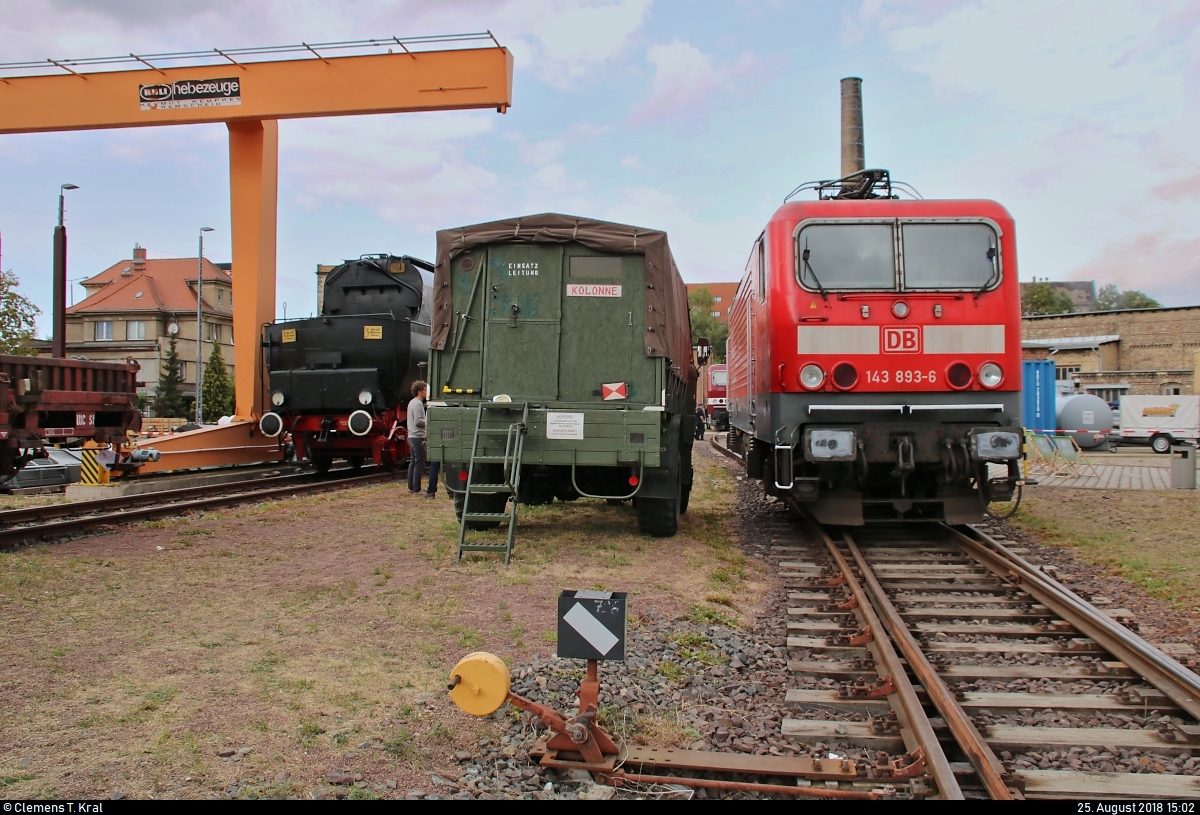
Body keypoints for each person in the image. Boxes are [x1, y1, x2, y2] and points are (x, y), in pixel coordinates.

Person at [407, 380, 439, 497]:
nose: (427, 393)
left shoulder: (412, 402)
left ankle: (411, 486)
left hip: (412, 436)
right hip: (417, 436)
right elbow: (417, 421)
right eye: (425, 390)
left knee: (413, 461)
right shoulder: (418, 404)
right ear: (420, 391)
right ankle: (417, 488)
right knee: (419, 463)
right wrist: (428, 421)